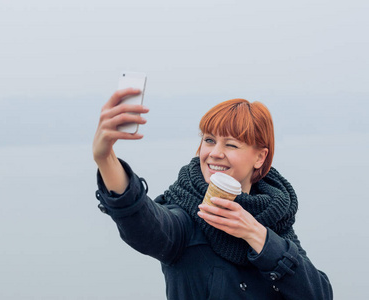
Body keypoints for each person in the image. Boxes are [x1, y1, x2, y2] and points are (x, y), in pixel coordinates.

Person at [93, 88, 333, 299]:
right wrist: (105, 159)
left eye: (231, 144)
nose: (215, 153)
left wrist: (256, 234)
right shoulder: (186, 217)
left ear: (260, 157)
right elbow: (144, 224)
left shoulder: (274, 217)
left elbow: (319, 294)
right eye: (209, 140)